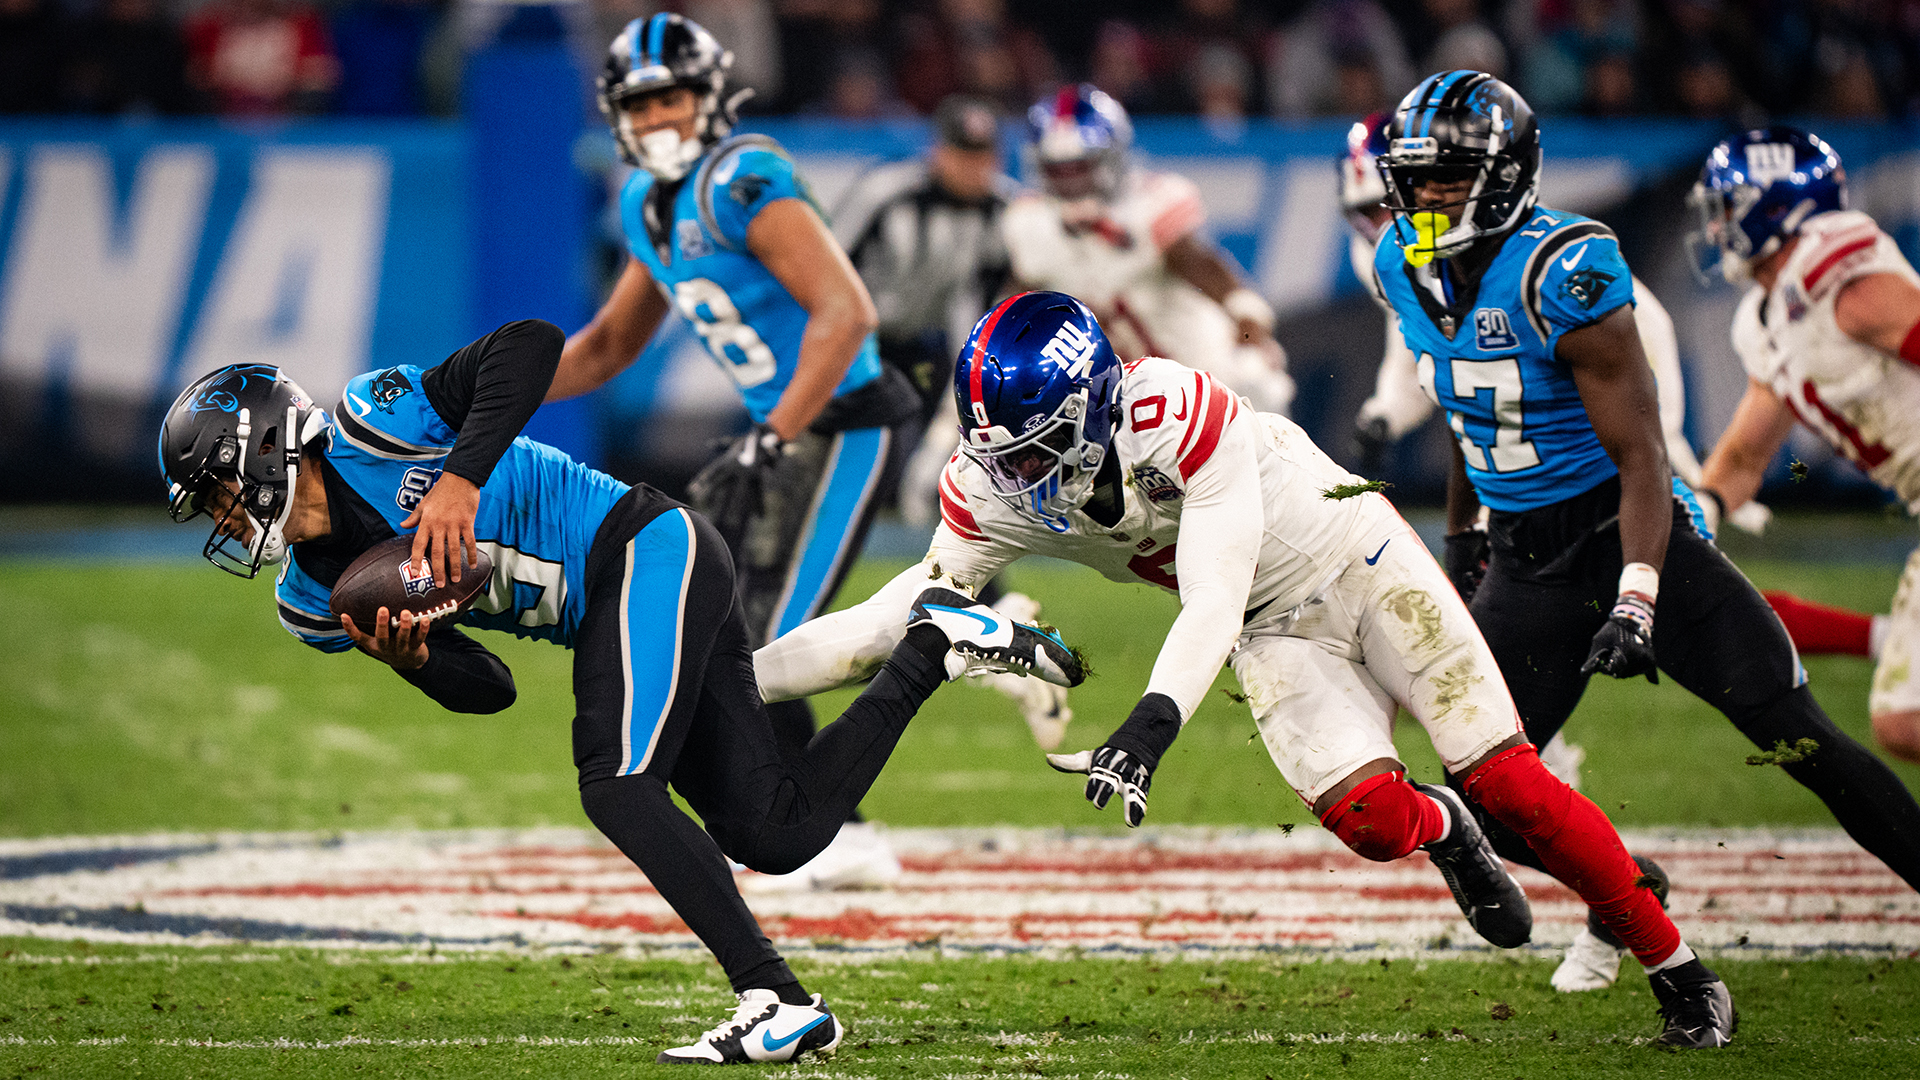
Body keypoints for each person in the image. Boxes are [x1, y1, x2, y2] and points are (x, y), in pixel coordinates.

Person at [752, 291, 1735, 1049]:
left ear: (1095, 407)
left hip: (1359, 562)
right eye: (999, 455)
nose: (1016, 479)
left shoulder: (1173, 411)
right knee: (1374, 824)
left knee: (1504, 770)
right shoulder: (994, 479)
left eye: (1040, 449)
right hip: (1273, 628)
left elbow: (1211, 595)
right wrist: (738, 682)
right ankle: (1446, 827)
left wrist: (1147, 728)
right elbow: (898, 616)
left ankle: (1682, 971)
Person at [155, 323, 1080, 1064]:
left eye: (225, 491)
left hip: (645, 545)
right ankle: (939, 646)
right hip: (620, 599)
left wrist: (460, 480)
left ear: (269, 447)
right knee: (776, 831)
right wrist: (417, 660)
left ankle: (779, 1001)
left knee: (616, 781)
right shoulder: (313, 599)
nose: (229, 519)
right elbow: (495, 691)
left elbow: (529, 345)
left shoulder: (374, 424)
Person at [1369, 71, 1920, 1006]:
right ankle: (1628, 890)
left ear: (1504, 177)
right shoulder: (1399, 266)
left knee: (1800, 740)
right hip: (1526, 563)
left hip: (1628, 535)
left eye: (1446, 178)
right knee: (1488, 798)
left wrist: (1636, 597)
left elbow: (1641, 456)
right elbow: (1463, 410)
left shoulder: (1565, 269)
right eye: (1413, 179)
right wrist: (1463, 539)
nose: (1422, 199)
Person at [547, 13, 922, 891]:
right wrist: (480, 396)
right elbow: (606, 347)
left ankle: (847, 827)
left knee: (773, 633)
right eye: (639, 105)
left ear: (708, 94)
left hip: (842, 426)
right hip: (781, 438)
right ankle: (816, 818)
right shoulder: (645, 203)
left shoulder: (743, 177)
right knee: (730, 627)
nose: (658, 118)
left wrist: (775, 432)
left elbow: (848, 313)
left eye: (671, 96)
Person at [1690, 127, 1920, 767]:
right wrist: (1692, 522)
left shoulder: (1841, 280)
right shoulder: (1769, 318)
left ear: (1775, 206)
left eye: (1728, 207)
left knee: (1905, 718)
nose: (1716, 227)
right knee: (1905, 718)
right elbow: (1742, 457)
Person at [1001, 84, 1295, 416]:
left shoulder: (1150, 203)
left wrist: (1245, 314)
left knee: (1259, 382)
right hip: (1122, 400)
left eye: (1081, 167)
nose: (1070, 183)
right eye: (1057, 170)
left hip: (1207, 378)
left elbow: (1197, 262)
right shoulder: (1029, 224)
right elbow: (1018, 309)